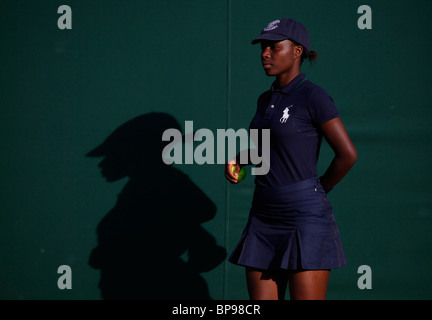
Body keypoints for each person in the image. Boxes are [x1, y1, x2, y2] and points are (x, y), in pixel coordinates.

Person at [225, 18, 357, 300]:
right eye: (263, 48)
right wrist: (241, 158)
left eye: (274, 47)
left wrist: (318, 190)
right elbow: (270, 149)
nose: (265, 53)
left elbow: (347, 155)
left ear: (297, 51)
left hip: (305, 218)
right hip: (262, 217)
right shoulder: (264, 99)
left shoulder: (314, 96)